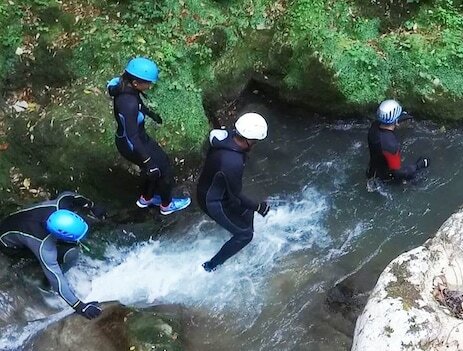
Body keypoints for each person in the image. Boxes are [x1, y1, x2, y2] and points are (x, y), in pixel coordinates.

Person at [0, 192, 106, 320]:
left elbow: (73, 196)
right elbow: (56, 278)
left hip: (12, 222)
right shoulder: (44, 246)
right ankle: (44, 283)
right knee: (71, 253)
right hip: (9, 246)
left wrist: (92, 206)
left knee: (70, 248)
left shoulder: (61, 202)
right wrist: (79, 306)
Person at [107, 57, 191, 215]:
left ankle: (146, 199)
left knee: (157, 165)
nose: (150, 85)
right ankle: (166, 206)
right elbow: (132, 136)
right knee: (162, 169)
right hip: (132, 143)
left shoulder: (123, 85)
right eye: (148, 82)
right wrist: (148, 161)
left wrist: (150, 114)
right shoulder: (128, 103)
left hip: (135, 138)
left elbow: (138, 104)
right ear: (136, 83)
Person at [197, 113, 270, 272]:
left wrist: (252, 208)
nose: (256, 144)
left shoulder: (225, 136)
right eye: (256, 141)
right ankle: (210, 266)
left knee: (247, 213)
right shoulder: (232, 162)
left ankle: (235, 233)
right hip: (212, 201)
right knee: (245, 235)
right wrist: (259, 207)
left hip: (210, 187)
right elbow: (236, 195)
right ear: (249, 141)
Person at [366, 99, 429, 187]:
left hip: (373, 170)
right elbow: (398, 173)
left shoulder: (374, 127)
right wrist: (418, 166)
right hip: (385, 179)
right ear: (396, 121)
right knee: (417, 179)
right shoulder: (391, 145)